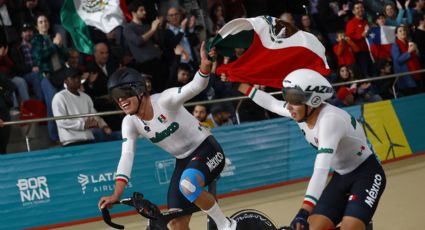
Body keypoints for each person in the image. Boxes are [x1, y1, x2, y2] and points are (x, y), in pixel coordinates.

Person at [98, 42, 237, 230]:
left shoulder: (165, 101)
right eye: (116, 96)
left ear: (139, 90)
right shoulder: (129, 122)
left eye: (124, 93)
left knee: (188, 184)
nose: (121, 100)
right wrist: (116, 194)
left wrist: (205, 66)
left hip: (207, 149)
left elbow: (195, 86)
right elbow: (127, 156)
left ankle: (226, 225)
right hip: (183, 161)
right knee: (175, 224)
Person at [238, 69, 386, 230]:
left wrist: (303, 211)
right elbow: (272, 104)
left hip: (367, 174)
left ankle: (359, 222)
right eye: (287, 97)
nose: (288, 105)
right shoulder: (301, 111)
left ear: (314, 100)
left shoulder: (330, 121)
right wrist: (241, 85)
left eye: (294, 99)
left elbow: (321, 170)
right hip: (341, 176)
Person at [52, 67, 112, 147]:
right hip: (71, 141)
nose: (77, 80)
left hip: (89, 139)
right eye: (73, 78)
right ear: (65, 81)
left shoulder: (86, 97)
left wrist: (104, 126)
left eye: (78, 77)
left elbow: (94, 115)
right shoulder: (59, 97)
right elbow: (61, 121)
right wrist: (83, 125)